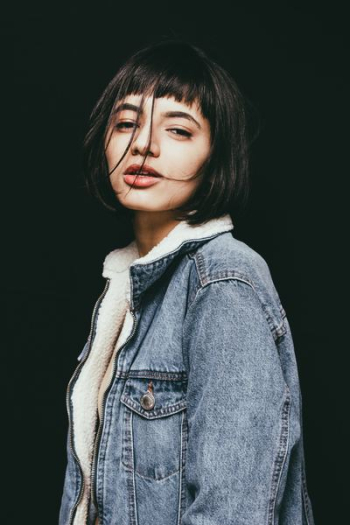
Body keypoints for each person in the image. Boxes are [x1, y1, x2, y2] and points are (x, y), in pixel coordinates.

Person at [58, 38, 315, 525]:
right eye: (127, 123)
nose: (143, 143)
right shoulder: (126, 290)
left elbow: (232, 512)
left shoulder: (222, 281)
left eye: (178, 129)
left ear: (215, 156)